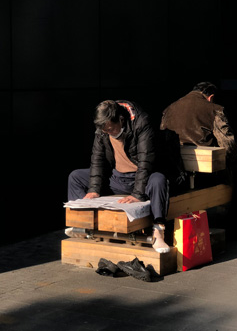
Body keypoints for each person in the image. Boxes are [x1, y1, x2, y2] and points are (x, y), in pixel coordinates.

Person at [67, 100, 170, 253]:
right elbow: (97, 158)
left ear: (121, 120)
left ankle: (158, 232)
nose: (108, 133)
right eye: (105, 130)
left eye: (111, 129)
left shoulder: (141, 122)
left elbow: (145, 161)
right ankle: (82, 225)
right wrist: (94, 189)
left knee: (159, 180)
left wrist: (137, 194)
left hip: (141, 179)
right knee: (76, 177)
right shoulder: (102, 129)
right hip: (117, 178)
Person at [160, 82, 237, 158]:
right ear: (211, 97)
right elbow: (226, 143)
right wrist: (232, 158)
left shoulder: (169, 108)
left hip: (172, 158)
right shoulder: (215, 109)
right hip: (203, 159)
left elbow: (162, 134)